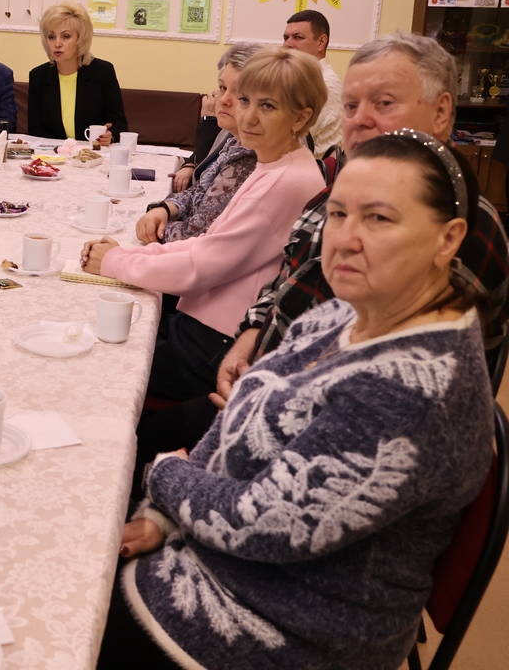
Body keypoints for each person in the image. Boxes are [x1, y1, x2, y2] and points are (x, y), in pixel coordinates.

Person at [101, 133, 495, 670]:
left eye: (379, 218)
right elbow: (241, 414)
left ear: (448, 240)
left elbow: (260, 523)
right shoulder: (352, 310)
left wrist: (166, 474)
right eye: (338, 214)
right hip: (215, 561)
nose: (346, 238)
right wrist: (163, 516)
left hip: (281, 630)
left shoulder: (415, 390)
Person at [132, 32, 509, 499]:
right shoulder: (343, 192)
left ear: (442, 112)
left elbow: (388, 391)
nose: (361, 119)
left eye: (384, 103)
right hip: (264, 379)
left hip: (321, 435)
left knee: (135, 442)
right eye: (351, 106)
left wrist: (260, 399)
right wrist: (252, 332)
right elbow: (284, 278)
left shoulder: (456, 224)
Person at [81, 47, 326, 401]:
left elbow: (201, 266)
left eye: (268, 106)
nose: (248, 117)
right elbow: (207, 243)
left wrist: (115, 262)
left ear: (301, 118)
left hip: (216, 341)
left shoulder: (285, 180)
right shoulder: (277, 162)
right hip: (207, 323)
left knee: (98, 370)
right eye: (245, 100)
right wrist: (129, 256)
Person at [135, 43, 262, 245]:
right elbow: (201, 189)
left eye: (239, 94)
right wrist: (166, 208)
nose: (224, 100)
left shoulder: (250, 156)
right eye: (222, 88)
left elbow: (199, 234)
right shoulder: (235, 140)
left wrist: (154, 228)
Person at [28, 3, 128, 145]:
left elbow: (120, 124)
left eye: (66, 36)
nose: (57, 43)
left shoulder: (103, 72)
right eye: (51, 37)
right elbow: (35, 130)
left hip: (92, 153)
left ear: (80, 39)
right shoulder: (38, 76)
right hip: (54, 153)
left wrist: (110, 135)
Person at [282, 9, 344, 158]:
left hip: (310, 168)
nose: (288, 44)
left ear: (321, 42)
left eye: (298, 37)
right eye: (286, 37)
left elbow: (285, 139)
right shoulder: (304, 80)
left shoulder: (322, 85)